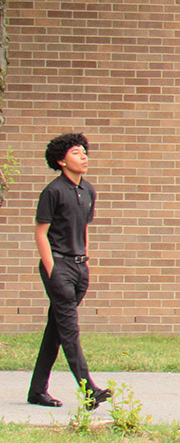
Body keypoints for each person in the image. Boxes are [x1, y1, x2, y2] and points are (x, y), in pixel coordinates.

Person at [27, 133, 110, 409]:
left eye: (84, 151)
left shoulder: (88, 191)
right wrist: (52, 270)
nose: (84, 156)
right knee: (70, 329)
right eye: (76, 152)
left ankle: (37, 390)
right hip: (58, 267)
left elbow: (83, 228)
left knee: (57, 328)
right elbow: (41, 233)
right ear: (62, 160)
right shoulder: (53, 191)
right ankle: (90, 390)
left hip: (79, 267)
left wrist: (85, 261)